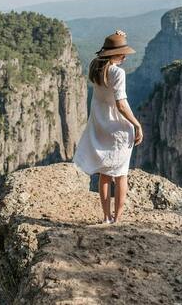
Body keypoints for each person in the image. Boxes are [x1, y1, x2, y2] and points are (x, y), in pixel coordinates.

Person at [73, 30, 144, 224]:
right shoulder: (117, 72)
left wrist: (117, 36)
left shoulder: (95, 66)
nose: (124, 56)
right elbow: (121, 103)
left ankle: (105, 217)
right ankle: (117, 219)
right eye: (122, 53)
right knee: (121, 175)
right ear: (115, 54)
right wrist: (136, 124)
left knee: (104, 175)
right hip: (118, 128)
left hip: (100, 126)